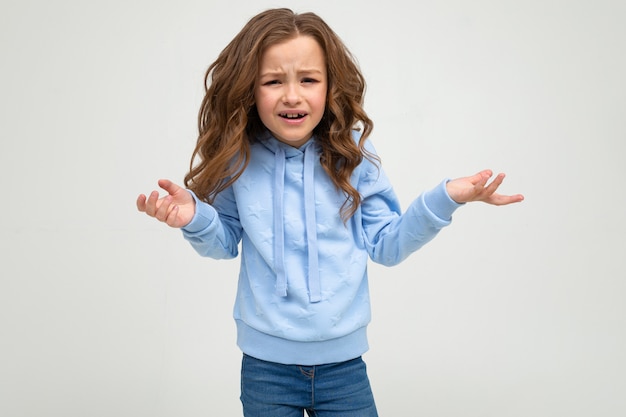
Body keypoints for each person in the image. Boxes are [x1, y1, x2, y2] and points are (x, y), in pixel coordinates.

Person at [136, 8, 524, 417]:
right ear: (250, 89)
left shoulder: (354, 155)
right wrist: (194, 218)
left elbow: (387, 245)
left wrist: (446, 197)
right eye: (272, 81)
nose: (292, 95)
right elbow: (224, 243)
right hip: (265, 368)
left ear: (330, 86)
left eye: (308, 79)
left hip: (344, 368)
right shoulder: (240, 158)